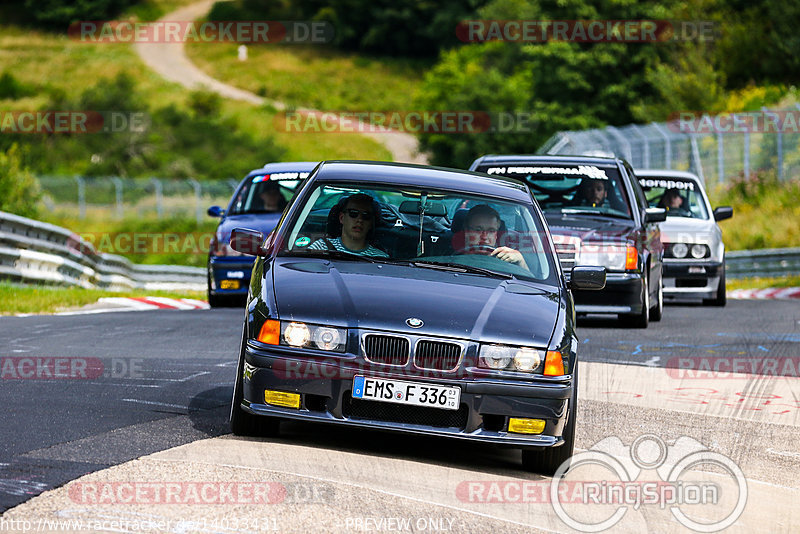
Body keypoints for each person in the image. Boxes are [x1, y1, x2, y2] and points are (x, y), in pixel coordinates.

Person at [309, 193, 388, 257]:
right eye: (353, 213)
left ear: (371, 223)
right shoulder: (320, 248)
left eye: (366, 216)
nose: (359, 220)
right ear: (341, 218)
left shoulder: (380, 258)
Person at [460, 204, 527, 269]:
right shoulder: (450, 258)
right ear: (466, 231)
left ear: (496, 235)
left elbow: (528, 279)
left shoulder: (507, 258)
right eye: (478, 230)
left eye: (491, 231)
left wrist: (521, 261)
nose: (484, 237)